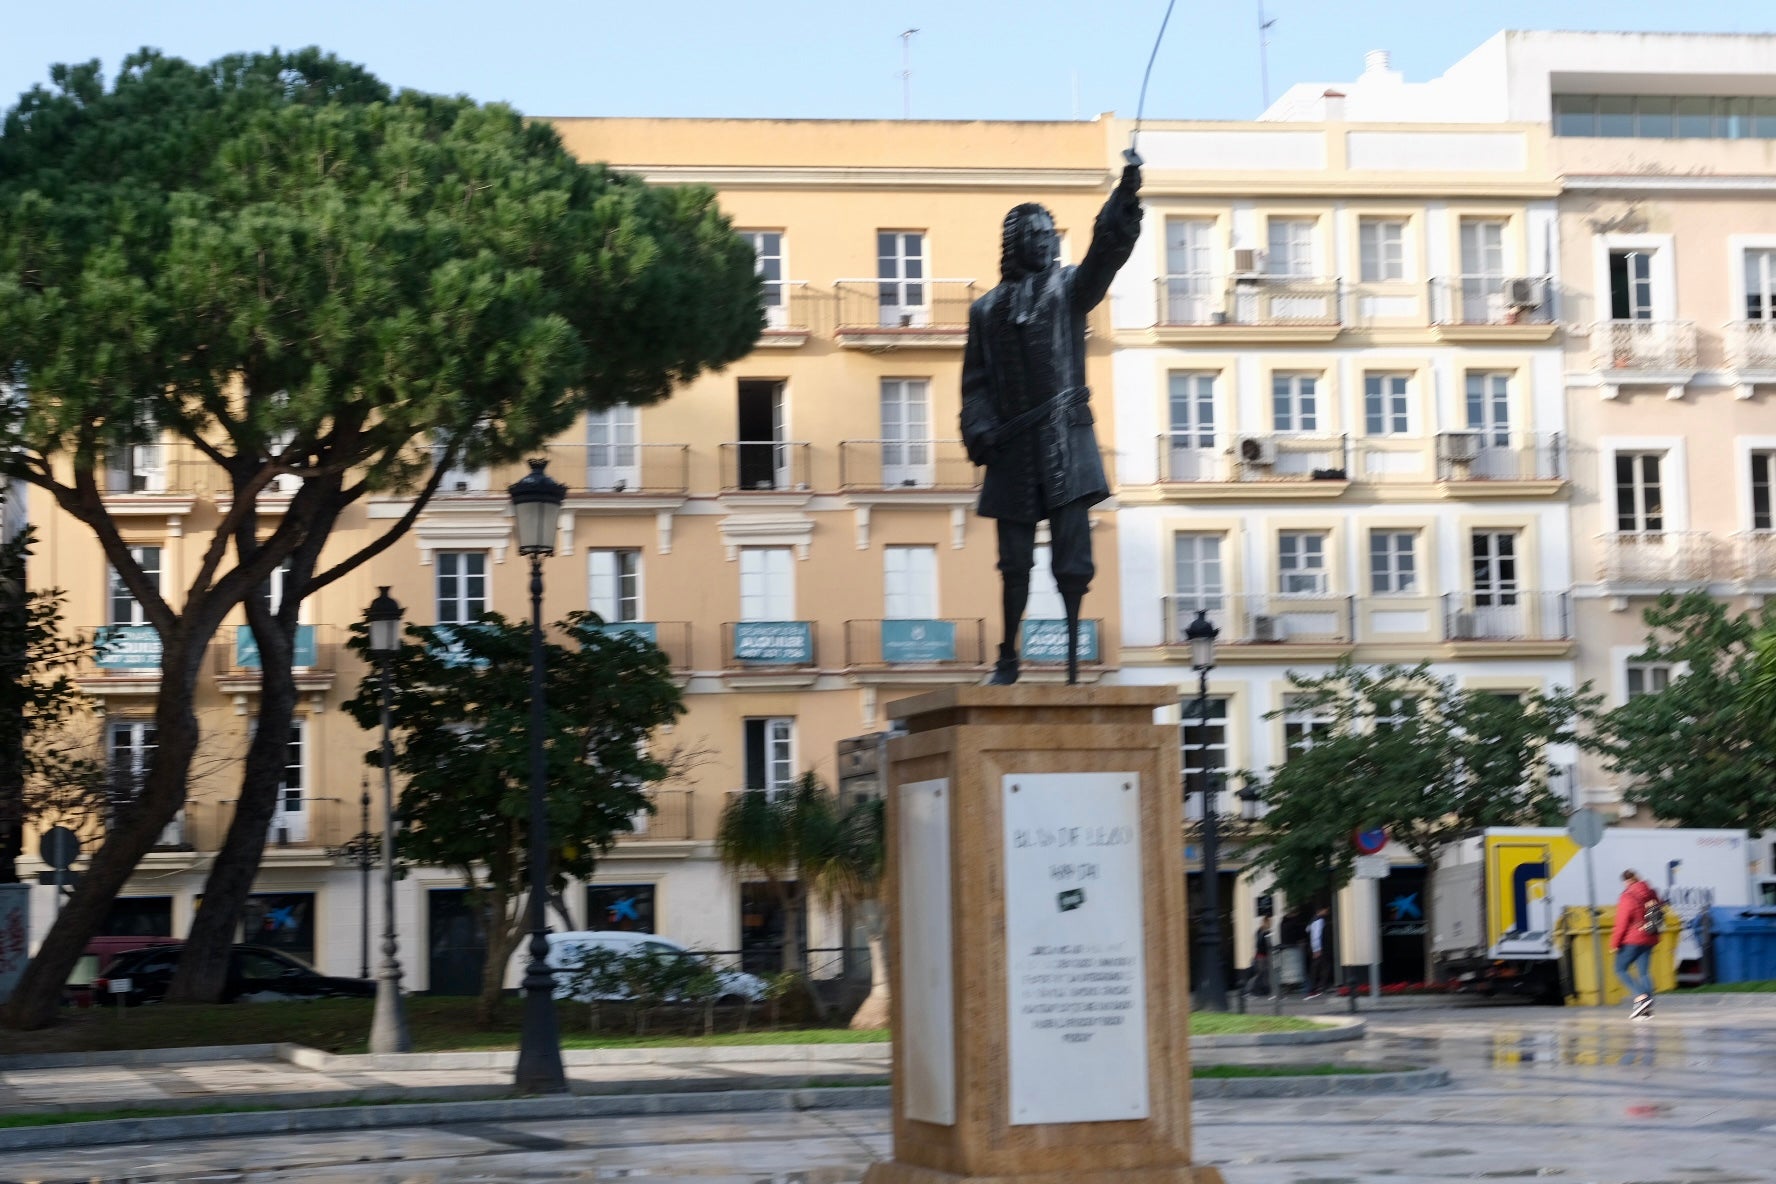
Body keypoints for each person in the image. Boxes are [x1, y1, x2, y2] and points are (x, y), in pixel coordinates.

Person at [961, 152, 1145, 685]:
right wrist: (979, 427)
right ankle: (1007, 656)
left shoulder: (1068, 289)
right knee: (1013, 561)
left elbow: (1104, 256)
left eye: (1049, 234)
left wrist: (1124, 196)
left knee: (1072, 559)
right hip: (1013, 450)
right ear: (1016, 243)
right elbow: (975, 385)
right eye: (1035, 235)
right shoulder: (985, 310)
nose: (1045, 241)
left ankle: (1069, 662)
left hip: (1066, 441)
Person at [1611, 867, 1664, 1019]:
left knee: (1620, 969)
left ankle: (1642, 996)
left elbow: (1621, 923)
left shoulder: (1627, 896)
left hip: (1632, 939)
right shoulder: (1651, 892)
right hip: (1650, 936)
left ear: (1626, 881)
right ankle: (1646, 1009)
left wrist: (1615, 943)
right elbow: (1660, 908)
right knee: (1644, 972)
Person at [1305, 906, 1331, 999]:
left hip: (1317, 948)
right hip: (1320, 948)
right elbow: (1316, 936)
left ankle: (1315, 987)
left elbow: (1308, 931)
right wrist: (1317, 949)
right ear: (1320, 910)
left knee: (1317, 967)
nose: (1327, 912)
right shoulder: (1319, 921)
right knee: (1323, 967)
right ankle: (1319, 987)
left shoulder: (1313, 920)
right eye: (1325, 910)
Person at [1245, 916, 1273, 996]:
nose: (1270, 924)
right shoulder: (1264, 932)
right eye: (1269, 922)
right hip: (1261, 955)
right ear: (1266, 922)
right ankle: (1251, 990)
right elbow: (1263, 944)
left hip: (1261, 955)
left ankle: (1263, 989)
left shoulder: (1260, 931)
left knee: (1263, 973)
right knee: (1261, 973)